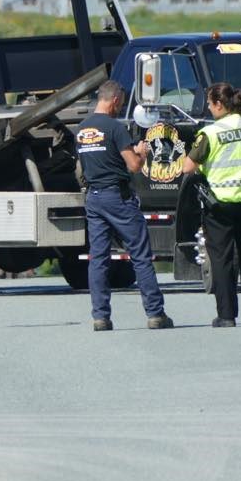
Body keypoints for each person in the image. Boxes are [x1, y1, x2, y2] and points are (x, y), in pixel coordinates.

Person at [76, 80, 174, 332]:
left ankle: (100, 317)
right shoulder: (115, 128)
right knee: (140, 255)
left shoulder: (82, 129)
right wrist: (141, 152)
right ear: (116, 101)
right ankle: (155, 314)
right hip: (118, 198)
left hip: (94, 198)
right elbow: (133, 166)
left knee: (98, 258)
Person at [182, 82, 241, 327]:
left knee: (221, 259)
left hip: (220, 204)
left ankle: (227, 316)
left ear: (219, 104)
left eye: (210, 104)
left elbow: (188, 167)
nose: (209, 109)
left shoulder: (210, 133)